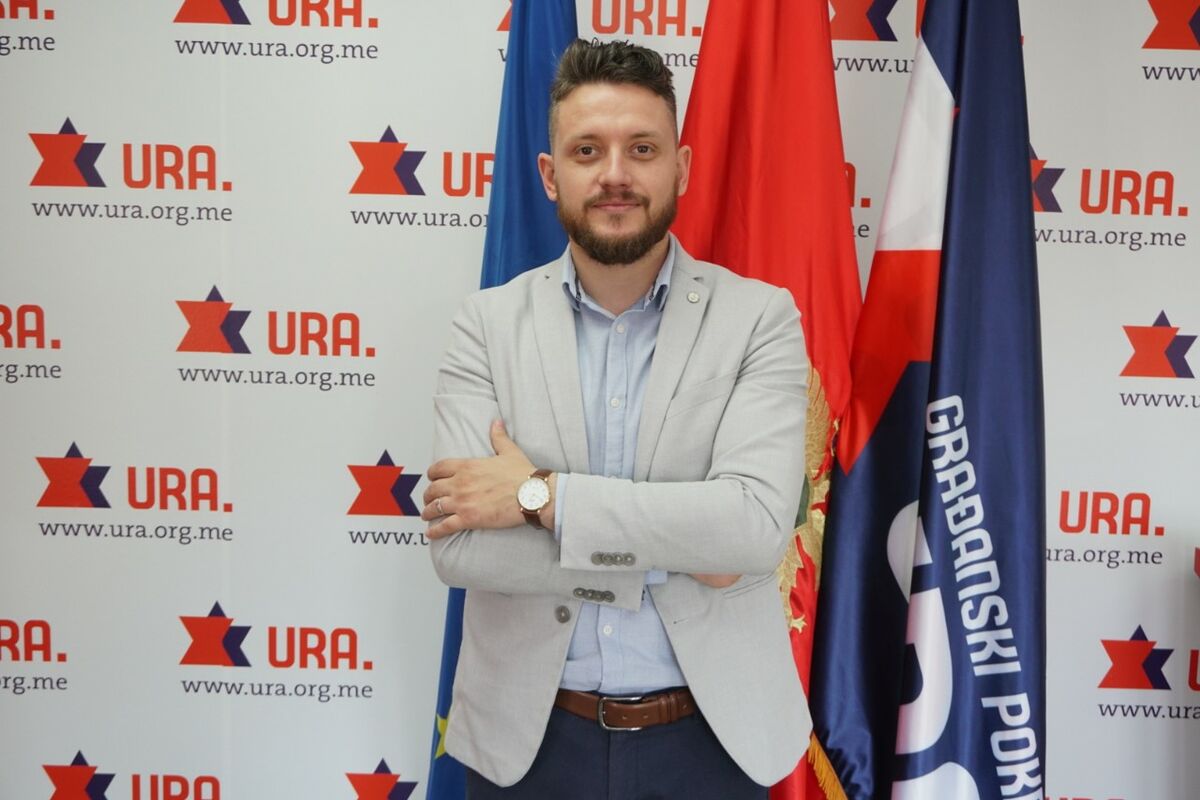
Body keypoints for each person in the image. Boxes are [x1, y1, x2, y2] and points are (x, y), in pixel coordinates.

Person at [423, 38, 810, 799]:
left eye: (642, 148)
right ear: (550, 174)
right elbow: (461, 548)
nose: (615, 175)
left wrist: (538, 496)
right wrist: (679, 546)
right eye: (587, 150)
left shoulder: (760, 320)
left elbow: (753, 531)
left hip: (713, 743)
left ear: (681, 167)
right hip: (528, 747)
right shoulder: (485, 326)